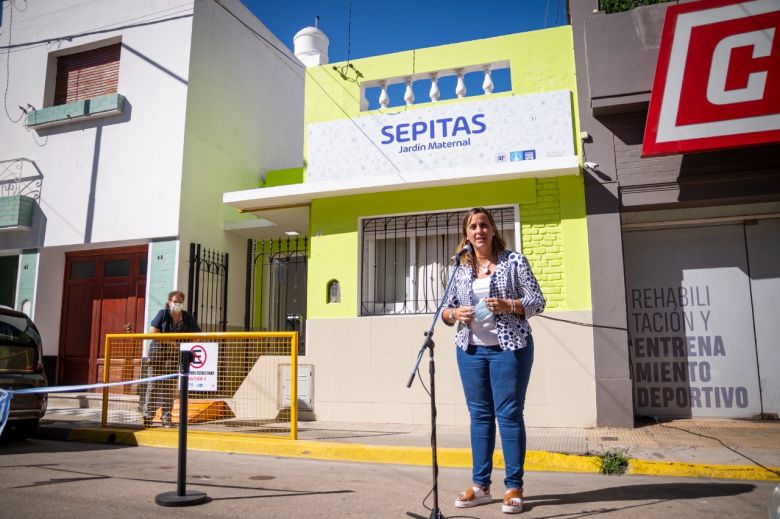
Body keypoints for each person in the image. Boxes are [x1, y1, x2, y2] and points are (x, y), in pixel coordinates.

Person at [442, 207, 545, 514]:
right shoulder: (460, 269)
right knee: (480, 416)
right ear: (466, 235)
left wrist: (509, 304)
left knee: (509, 415)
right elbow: (445, 310)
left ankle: (514, 486)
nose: (479, 230)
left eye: (484, 224)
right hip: (470, 350)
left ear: (493, 229)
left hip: (509, 348)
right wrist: (455, 314)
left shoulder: (514, 261)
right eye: (472, 226)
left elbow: (537, 300)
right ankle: (480, 486)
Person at [142, 290, 201, 427]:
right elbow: (153, 331)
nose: (177, 304)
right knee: (154, 387)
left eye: (180, 302)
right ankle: (148, 417)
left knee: (169, 389)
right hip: (157, 356)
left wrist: (183, 344)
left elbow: (197, 334)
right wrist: (171, 341)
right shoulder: (162, 313)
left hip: (174, 358)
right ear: (169, 301)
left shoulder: (186, 317)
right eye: (175, 301)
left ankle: (166, 418)